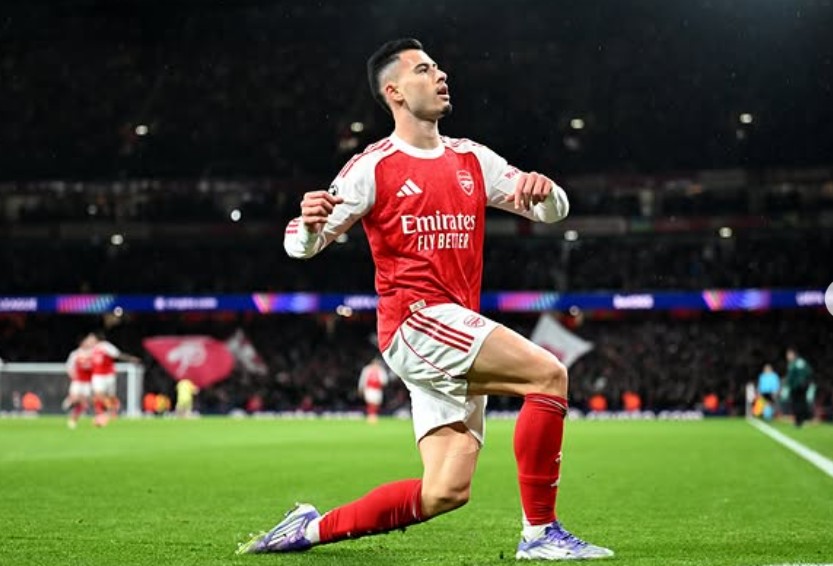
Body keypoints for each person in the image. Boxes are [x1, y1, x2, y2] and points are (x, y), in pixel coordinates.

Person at [238, 38, 612, 560]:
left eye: (438, 67)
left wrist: (546, 191)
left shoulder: (472, 158)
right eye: (423, 69)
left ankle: (309, 529)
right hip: (416, 324)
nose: (440, 75)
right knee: (548, 375)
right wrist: (308, 224)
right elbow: (299, 246)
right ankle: (540, 534)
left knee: (444, 492)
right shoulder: (372, 167)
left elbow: (553, 211)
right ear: (394, 92)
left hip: (454, 327)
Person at [89, 333, 141, 427]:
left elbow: (117, 354)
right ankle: (101, 415)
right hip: (97, 375)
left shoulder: (105, 346)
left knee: (110, 396)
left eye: (91, 338)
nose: (89, 340)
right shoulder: (91, 349)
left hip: (108, 375)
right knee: (98, 395)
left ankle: (112, 411)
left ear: (97, 338)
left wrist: (130, 358)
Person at [64, 334, 96, 429]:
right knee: (75, 398)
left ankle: (73, 419)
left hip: (88, 382)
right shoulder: (75, 354)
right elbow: (69, 366)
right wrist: (72, 375)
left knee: (84, 402)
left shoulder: (93, 353)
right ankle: (70, 402)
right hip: (77, 381)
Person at [785, 348, 813, 427]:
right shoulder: (792, 363)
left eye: (789, 354)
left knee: (800, 403)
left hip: (799, 387)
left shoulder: (799, 362)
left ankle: (801, 420)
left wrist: (802, 383)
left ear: (794, 354)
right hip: (794, 387)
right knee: (795, 404)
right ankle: (798, 420)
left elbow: (807, 372)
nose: (788, 356)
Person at [357, 357, 390, 424]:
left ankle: (374, 414)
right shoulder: (367, 369)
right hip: (369, 388)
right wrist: (361, 388)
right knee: (370, 402)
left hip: (378, 389)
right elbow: (363, 379)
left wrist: (383, 384)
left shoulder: (381, 370)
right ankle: (371, 415)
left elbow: (384, 380)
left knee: (377, 402)